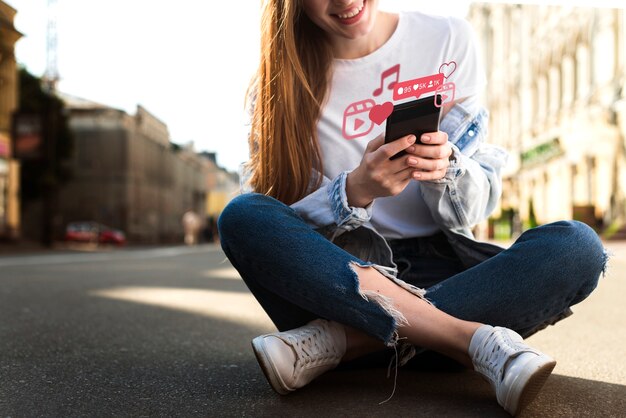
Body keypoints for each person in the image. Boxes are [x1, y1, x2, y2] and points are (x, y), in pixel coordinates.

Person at [218, 0, 607, 415]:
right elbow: (279, 230)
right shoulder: (276, 85)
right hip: (335, 283)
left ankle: (344, 343)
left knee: (577, 247)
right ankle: (467, 340)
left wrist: (448, 168)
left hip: (441, 274)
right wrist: (353, 191)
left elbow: (474, 208)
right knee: (242, 215)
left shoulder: (446, 39)